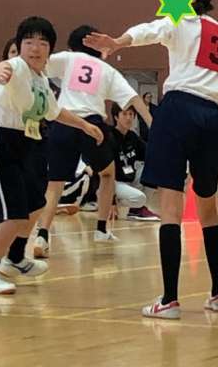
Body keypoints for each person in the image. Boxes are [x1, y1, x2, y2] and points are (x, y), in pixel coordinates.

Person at [83, 0, 218, 319]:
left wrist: (118, 41)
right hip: (213, 117)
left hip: (178, 112)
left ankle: (170, 300)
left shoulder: (179, 20)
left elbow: (150, 30)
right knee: (209, 209)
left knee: (171, 207)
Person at [0, 16, 104, 295]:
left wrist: (84, 125)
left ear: (50, 49)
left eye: (42, 43)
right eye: (28, 42)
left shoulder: (40, 79)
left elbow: (54, 112)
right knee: (13, 215)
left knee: (34, 204)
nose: (35, 48)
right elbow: (6, 66)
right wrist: (1, 71)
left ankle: (15, 258)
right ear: (20, 46)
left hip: (24, 142)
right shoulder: (17, 66)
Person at [33, 24, 152, 259]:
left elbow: (39, 63)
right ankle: (101, 229)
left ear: (73, 45)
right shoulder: (107, 70)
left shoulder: (68, 59)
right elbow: (133, 98)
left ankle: (42, 235)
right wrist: (152, 123)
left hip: (64, 122)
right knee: (107, 174)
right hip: (92, 126)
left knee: (54, 184)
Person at [110, 103, 159, 221]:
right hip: (114, 183)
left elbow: (149, 154)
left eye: (131, 114)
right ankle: (105, 201)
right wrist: (111, 201)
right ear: (116, 117)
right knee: (139, 198)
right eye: (124, 114)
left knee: (153, 168)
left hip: (130, 179)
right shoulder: (110, 137)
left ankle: (136, 210)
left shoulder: (132, 137)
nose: (128, 118)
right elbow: (104, 172)